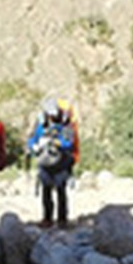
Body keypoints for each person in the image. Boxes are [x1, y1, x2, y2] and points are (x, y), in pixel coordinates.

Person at [26, 98, 78, 229]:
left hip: (62, 162)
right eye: (51, 115)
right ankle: (47, 218)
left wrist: (56, 143)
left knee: (61, 191)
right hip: (45, 162)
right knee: (46, 191)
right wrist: (35, 146)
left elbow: (69, 142)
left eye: (55, 115)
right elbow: (32, 139)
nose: (53, 118)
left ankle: (62, 219)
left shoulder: (66, 124)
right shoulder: (41, 124)